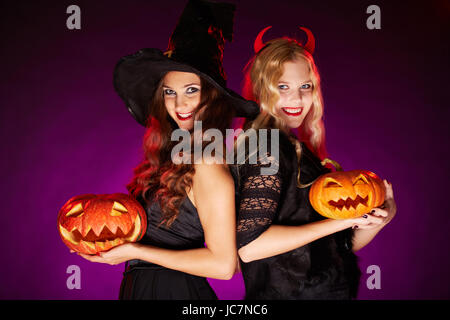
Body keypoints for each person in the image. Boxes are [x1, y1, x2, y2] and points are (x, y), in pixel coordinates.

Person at [75, 0, 259, 300]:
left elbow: (225, 265)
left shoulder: (207, 165)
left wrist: (135, 251)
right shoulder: (170, 158)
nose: (179, 104)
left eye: (191, 91)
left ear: (211, 98)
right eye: (169, 92)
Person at [233, 27, 397, 299]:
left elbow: (335, 246)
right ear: (263, 88)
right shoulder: (264, 148)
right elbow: (251, 247)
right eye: (282, 87)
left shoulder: (294, 148)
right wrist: (343, 221)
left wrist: (379, 219)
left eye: (304, 87)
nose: (296, 99)